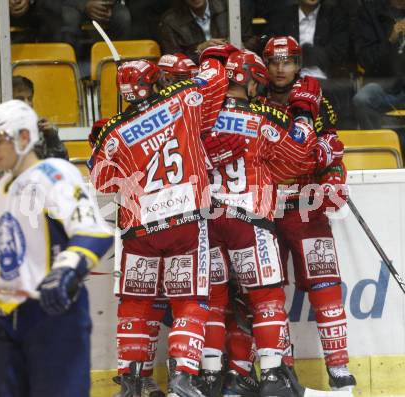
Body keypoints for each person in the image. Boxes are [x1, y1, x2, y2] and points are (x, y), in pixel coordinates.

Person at [89, 56, 241, 397]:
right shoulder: (183, 98)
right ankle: (183, 379)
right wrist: (212, 58)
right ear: (156, 81)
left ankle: (130, 382)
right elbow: (216, 77)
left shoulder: (112, 133)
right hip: (185, 218)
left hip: (139, 227)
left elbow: (102, 188)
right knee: (190, 299)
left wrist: (98, 143)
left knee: (135, 303)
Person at [200, 49, 332, 397]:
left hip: (205, 223)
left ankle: (212, 376)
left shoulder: (196, 114)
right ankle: (273, 374)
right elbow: (301, 155)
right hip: (250, 219)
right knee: (267, 298)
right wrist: (305, 112)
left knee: (213, 300)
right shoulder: (263, 116)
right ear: (255, 81)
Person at [0, 99, 114, 396]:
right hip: (6, 318)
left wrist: (65, 271)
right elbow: (1, 253)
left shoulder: (53, 173)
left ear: (23, 137)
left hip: (55, 316)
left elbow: (93, 231)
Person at [261, 35, 356, 391]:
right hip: (265, 212)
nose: (281, 68)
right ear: (265, 65)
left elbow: (333, 146)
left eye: (288, 61)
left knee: (326, 285)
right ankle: (282, 371)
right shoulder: (254, 101)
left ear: (298, 63)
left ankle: (339, 367)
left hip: (306, 209)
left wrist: (332, 179)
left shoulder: (317, 99)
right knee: (265, 294)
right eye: (274, 61)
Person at [262, 0, 356, 128]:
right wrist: (308, 54)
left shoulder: (336, 15)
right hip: (288, 77)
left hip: (326, 80)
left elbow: (340, 53)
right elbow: (270, 49)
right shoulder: (281, 15)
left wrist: (305, 53)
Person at [0, 75, 68, 183]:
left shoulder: (38, 129)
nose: (27, 104)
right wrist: (9, 184)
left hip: (36, 192)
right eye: (20, 99)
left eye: (30, 98)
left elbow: (60, 168)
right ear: (4, 100)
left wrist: (52, 139)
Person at [352, 0, 405, 129]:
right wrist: (390, 41)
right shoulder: (369, 11)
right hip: (382, 85)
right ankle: (375, 147)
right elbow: (366, 60)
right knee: (362, 99)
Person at [158, 0, 255, 63]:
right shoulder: (170, 21)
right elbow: (172, 61)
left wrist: (240, 46)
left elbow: (250, 40)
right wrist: (199, 50)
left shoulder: (230, 7)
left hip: (232, 65)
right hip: (196, 75)